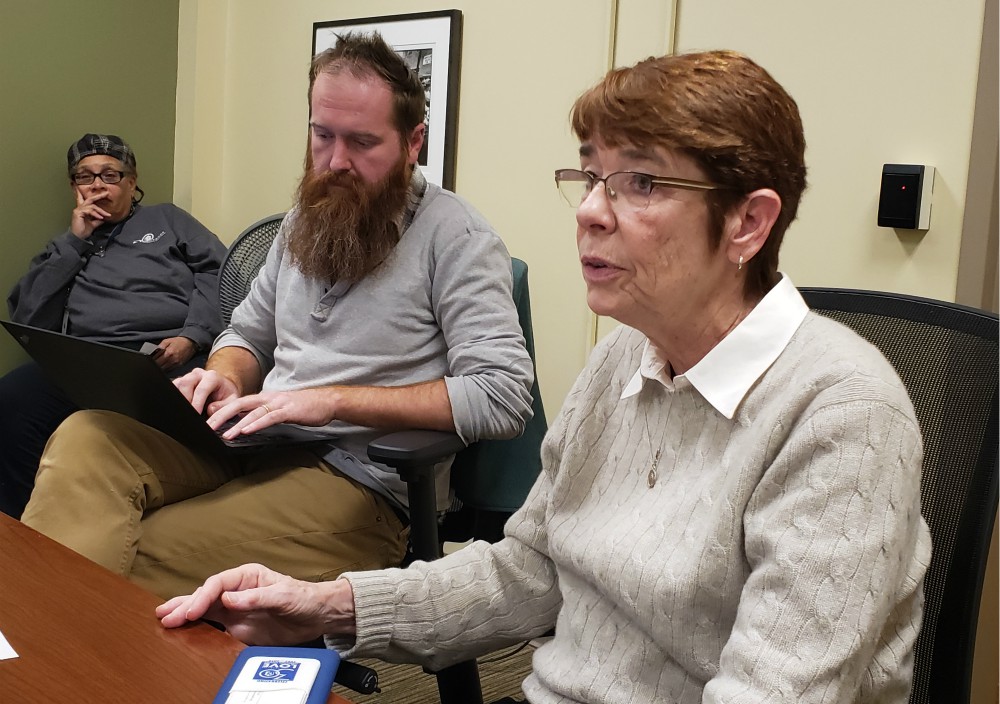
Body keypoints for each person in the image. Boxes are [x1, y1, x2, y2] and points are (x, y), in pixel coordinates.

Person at [159, 50, 933, 704]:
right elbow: (531, 571)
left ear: (748, 224)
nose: (591, 211)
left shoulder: (843, 414)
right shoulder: (622, 359)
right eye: (592, 176)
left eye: (642, 184)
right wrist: (325, 606)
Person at [21, 33, 534, 601]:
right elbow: (246, 333)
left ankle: (55, 662)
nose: (336, 161)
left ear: (414, 141)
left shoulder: (456, 237)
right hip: (256, 443)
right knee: (88, 436)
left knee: (140, 545)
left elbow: (502, 396)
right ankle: (42, 656)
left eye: (363, 142)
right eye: (322, 135)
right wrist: (225, 372)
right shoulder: (305, 219)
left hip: (357, 483)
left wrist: (333, 399)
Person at [0, 133, 226, 518]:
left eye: (110, 175)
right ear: (74, 187)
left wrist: (193, 336)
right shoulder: (67, 245)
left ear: (132, 182)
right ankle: (21, 531)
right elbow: (30, 320)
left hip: (166, 359)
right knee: (13, 396)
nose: (98, 186)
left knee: (199, 410)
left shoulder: (168, 219)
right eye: (85, 177)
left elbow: (221, 272)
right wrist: (75, 241)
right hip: (89, 362)